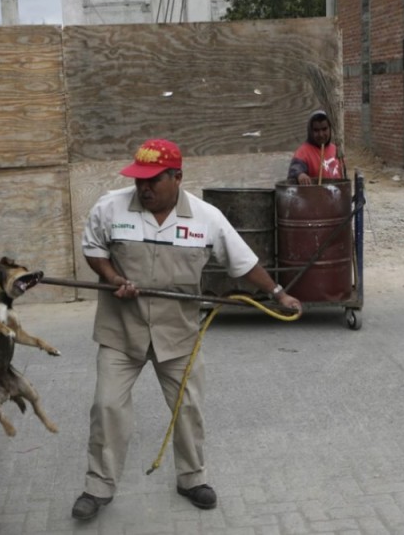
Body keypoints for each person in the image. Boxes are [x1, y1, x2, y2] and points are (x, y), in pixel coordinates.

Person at [71, 138, 302, 520]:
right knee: (106, 406)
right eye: (139, 180)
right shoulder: (110, 207)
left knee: (189, 407)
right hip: (121, 331)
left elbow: (241, 262)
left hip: (177, 333)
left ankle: (192, 479)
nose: (143, 188)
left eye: (153, 181)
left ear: (178, 177)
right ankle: (98, 488)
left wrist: (277, 292)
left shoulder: (205, 217)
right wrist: (112, 276)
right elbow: (93, 247)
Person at [287, 109, 346, 185]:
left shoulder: (336, 150)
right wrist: (300, 175)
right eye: (316, 130)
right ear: (310, 131)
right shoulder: (303, 152)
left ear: (330, 129)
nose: (321, 134)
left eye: (324, 129)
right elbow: (295, 170)